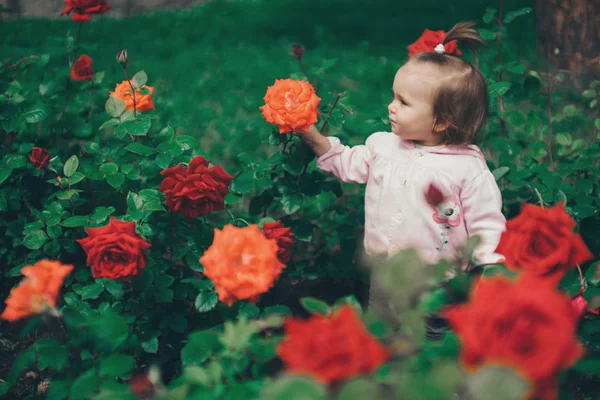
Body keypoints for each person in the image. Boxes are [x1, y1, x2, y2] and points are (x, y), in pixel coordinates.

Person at [296, 22, 507, 328]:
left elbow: (485, 221)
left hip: (437, 282)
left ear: (441, 121)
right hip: (385, 271)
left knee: (431, 337)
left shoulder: (467, 169)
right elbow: (348, 161)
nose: (390, 107)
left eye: (403, 102)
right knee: (382, 328)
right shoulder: (383, 147)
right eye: (394, 97)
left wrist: (487, 264)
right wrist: (315, 139)